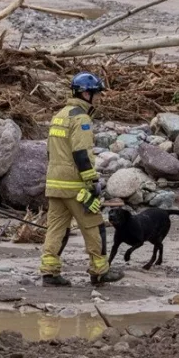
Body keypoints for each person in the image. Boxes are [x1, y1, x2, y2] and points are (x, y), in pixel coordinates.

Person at [40, 72, 123, 287]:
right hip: (75, 185)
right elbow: (81, 154)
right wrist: (92, 181)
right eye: (97, 94)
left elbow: (51, 151)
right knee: (93, 225)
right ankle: (100, 270)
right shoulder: (81, 119)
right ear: (86, 94)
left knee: (56, 228)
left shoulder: (60, 115)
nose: (99, 98)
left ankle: (49, 272)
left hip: (54, 183)